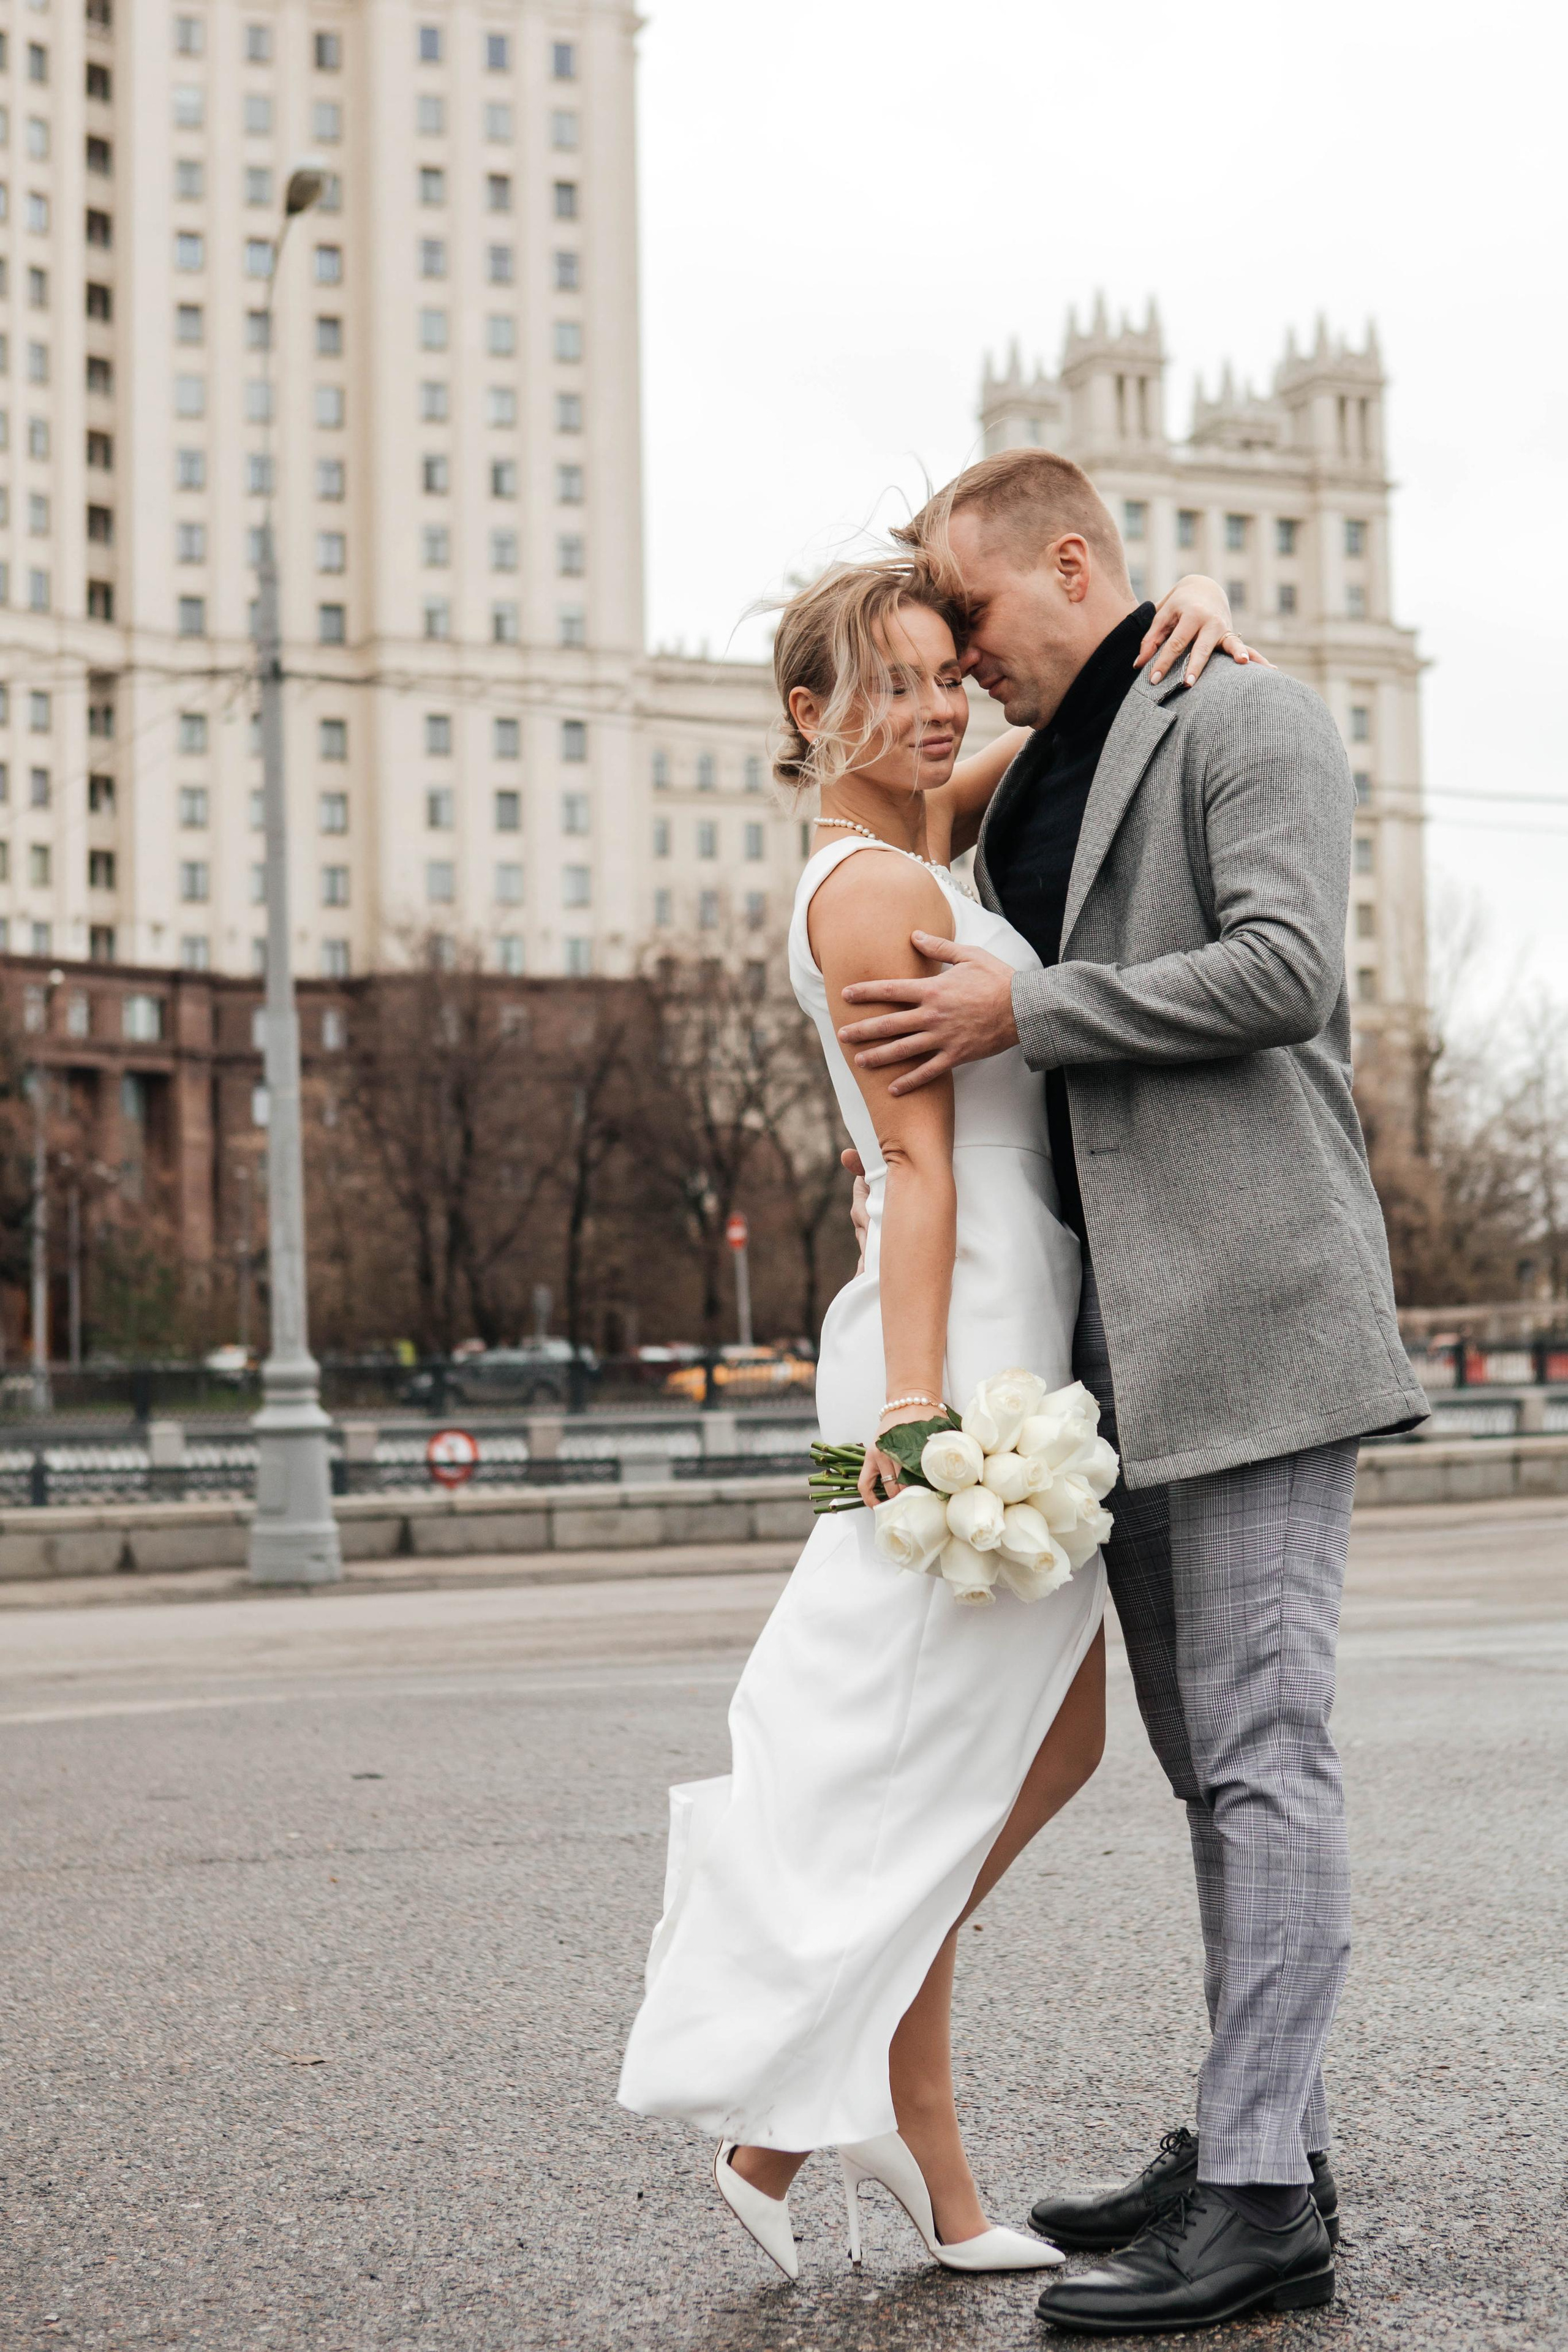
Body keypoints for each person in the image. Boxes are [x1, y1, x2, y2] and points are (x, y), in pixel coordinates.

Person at [835, 448, 1428, 2334]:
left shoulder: (1247, 710)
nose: (965, 660)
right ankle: (1267, 2135)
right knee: (1212, 1772)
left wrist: (1033, 1012)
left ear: (1074, 563)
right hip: (1124, 1349)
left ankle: (1261, 2203)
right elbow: (895, 790)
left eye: (981, 621)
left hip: (1251, 1318)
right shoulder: (1040, 776)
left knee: (1263, 1757)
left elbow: (1281, 972)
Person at [617, 552, 1248, 2283]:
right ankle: (806, 2103)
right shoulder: (871, 885)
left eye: (945, 672)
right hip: (952, 1352)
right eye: (893, 681)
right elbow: (911, 1162)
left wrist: (1164, 609)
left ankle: (911, 2139)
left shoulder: (903, 842)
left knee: (1018, 1744)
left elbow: (1059, 746)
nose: (937, 703)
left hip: (982, 1324)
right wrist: (912, 1419)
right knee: (992, 1738)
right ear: (809, 713)